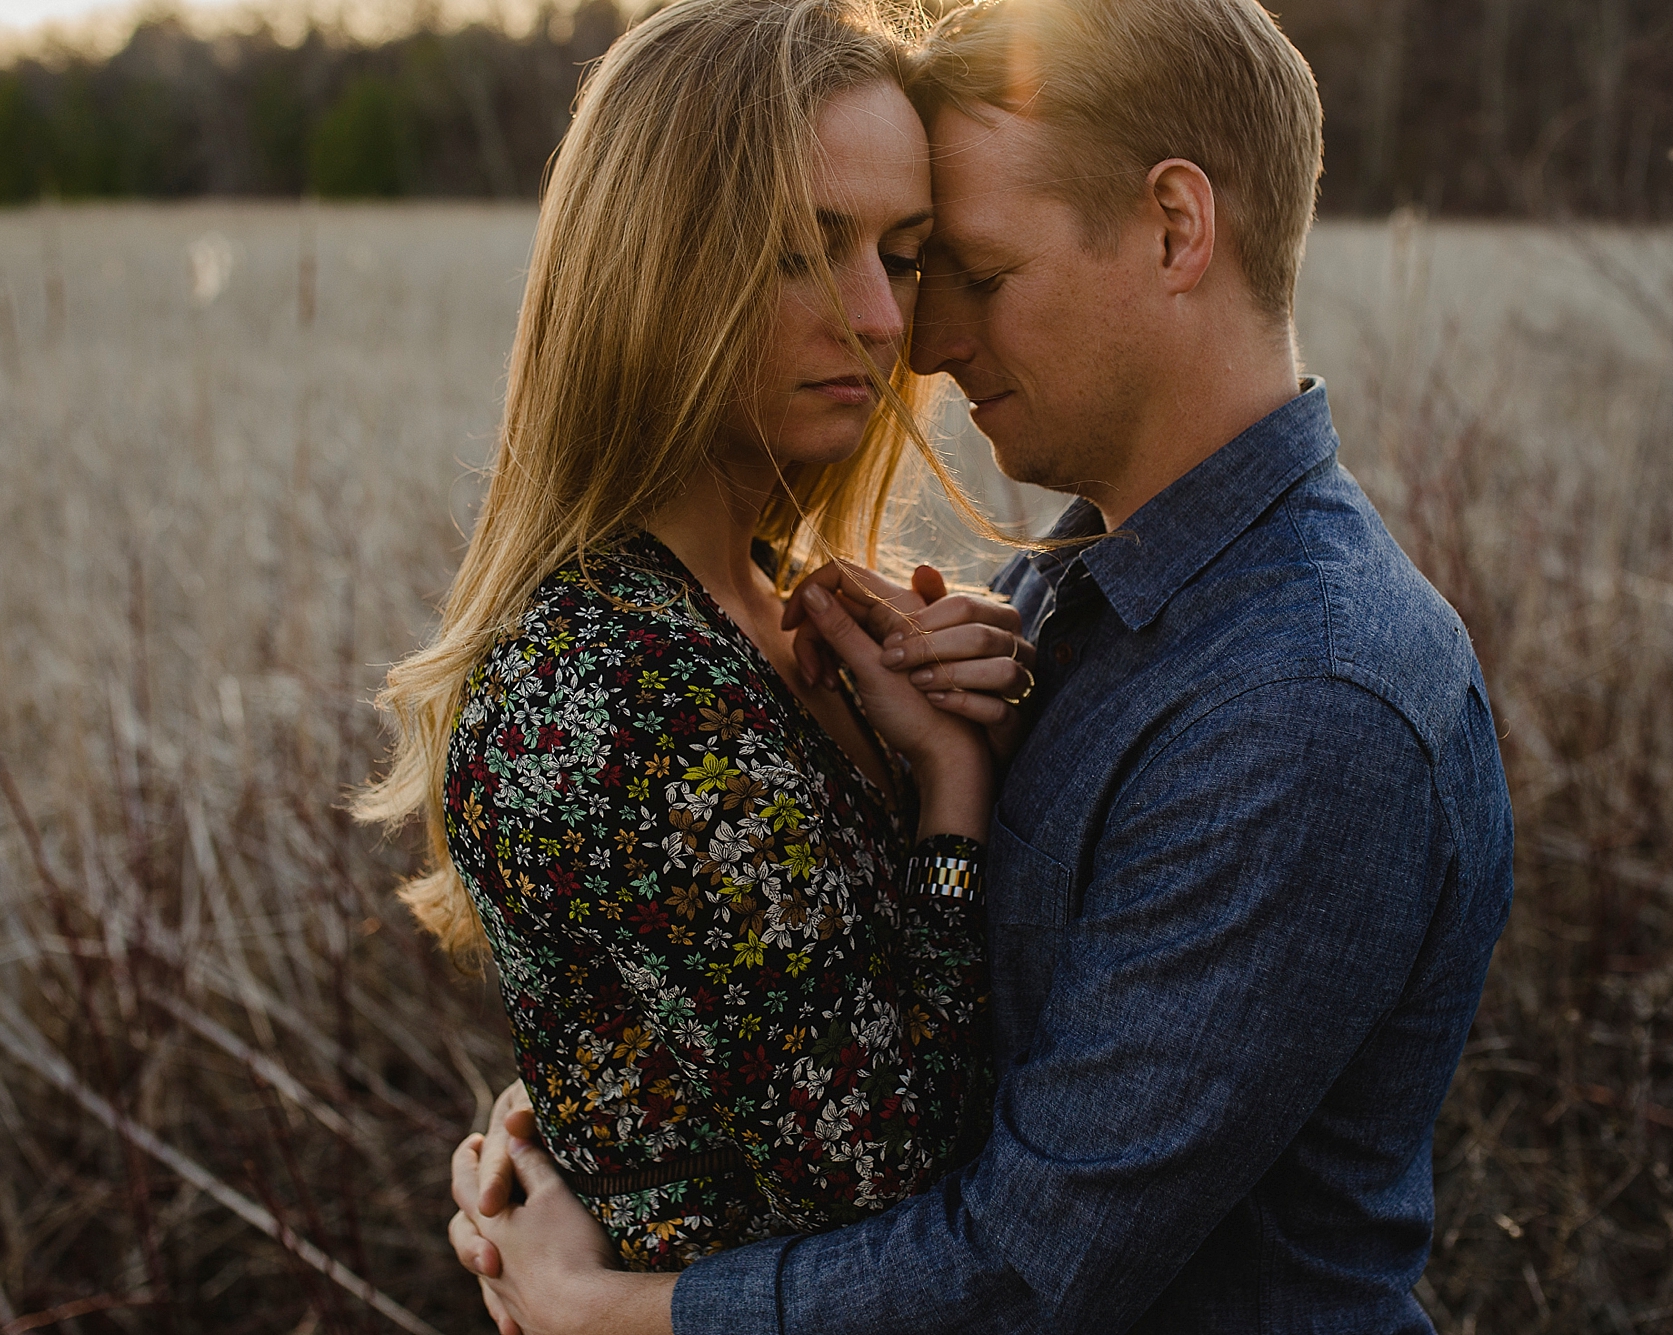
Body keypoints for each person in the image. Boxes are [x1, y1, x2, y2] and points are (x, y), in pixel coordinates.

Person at [447, 0, 1516, 1331]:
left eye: (972, 271)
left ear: (1178, 228)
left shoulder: (1306, 704)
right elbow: (838, 1021)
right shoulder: (1052, 603)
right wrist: (613, 1105)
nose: (920, 335)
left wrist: (605, 1307)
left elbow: (1027, 1270)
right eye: (902, 264)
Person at [357, 0, 1042, 1290]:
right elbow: (905, 1183)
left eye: (901, 254)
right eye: (801, 249)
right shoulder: (604, 682)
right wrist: (957, 798)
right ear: (651, 263)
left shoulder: (788, 609)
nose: (880, 321)